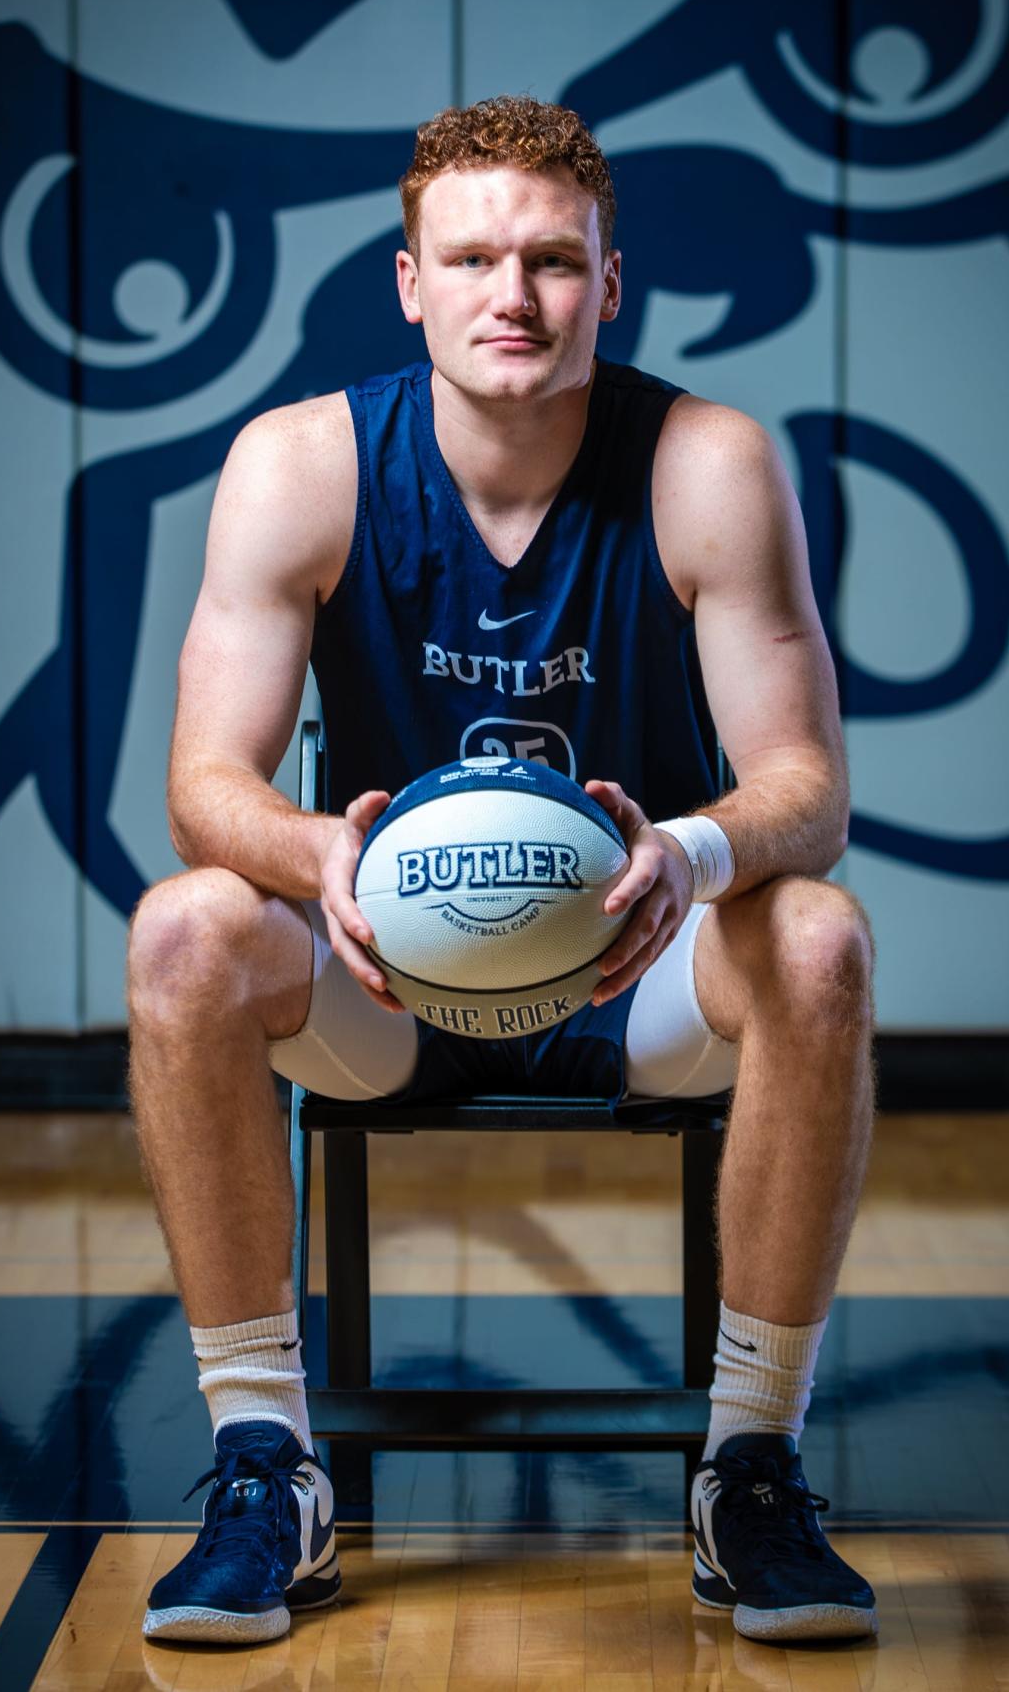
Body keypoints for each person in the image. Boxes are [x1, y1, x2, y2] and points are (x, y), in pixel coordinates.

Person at [127, 95, 878, 1648]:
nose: (511, 297)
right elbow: (202, 787)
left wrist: (690, 846)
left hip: (638, 957)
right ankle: (266, 1464)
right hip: (387, 976)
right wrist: (311, 847)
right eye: (469, 259)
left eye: (551, 261)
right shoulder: (301, 464)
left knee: (813, 937)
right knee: (189, 930)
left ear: (612, 280)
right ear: (409, 281)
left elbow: (807, 791)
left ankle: (748, 1469)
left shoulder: (705, 461)